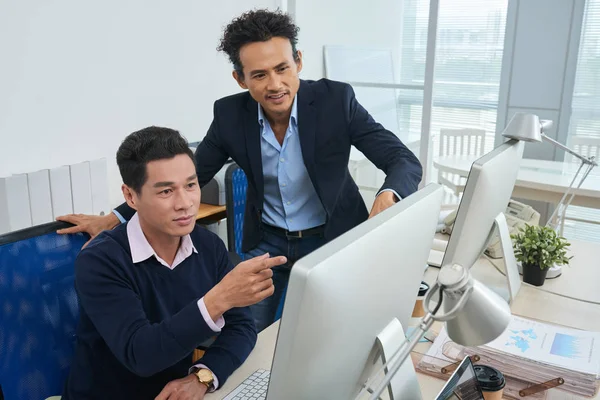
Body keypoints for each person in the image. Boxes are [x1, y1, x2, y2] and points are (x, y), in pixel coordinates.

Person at [57, 9, 422, 332]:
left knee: (335, 332)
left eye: (283, 68)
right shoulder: (230, 115)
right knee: (247, 334)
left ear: (298, 61)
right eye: (259, 75)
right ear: (240, 79)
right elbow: (191, 175)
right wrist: (118, 217)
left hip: (333, 238)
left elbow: (403, 160)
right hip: (268, 242)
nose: (275, 84)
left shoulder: (335, 101)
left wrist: (387, 196)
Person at [62, 127, 287, 400]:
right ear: (131, 197)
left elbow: (241, 327)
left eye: (191, 185)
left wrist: (202, 376)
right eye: (166, 191)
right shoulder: (100, 261)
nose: (186, 203)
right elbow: (141, 354)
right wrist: (219, 299)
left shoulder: (207, 245)